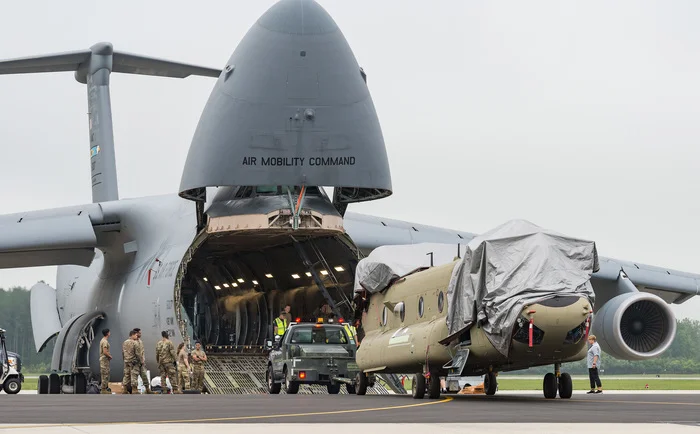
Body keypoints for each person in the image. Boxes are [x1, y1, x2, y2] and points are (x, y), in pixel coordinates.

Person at [133, 328, 153, 394]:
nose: (140, 334)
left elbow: (142, 352)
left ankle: (147, 389)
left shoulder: (140, 341)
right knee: (134, 376)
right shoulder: (133, 342)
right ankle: (134, 389)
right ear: (136, 333)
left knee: (144, 375)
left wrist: (143, 360)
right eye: (139, 333)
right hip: (135, 362)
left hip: (141, 362)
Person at [99, 329, 112, 394]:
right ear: (107, 333)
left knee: (105, 374)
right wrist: (109, 356)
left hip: (104, 359)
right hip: (104, 360)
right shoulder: (104, 341)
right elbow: (105, 351)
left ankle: (104, 388)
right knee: (105, 374)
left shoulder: (103, 340)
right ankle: (103, 389)